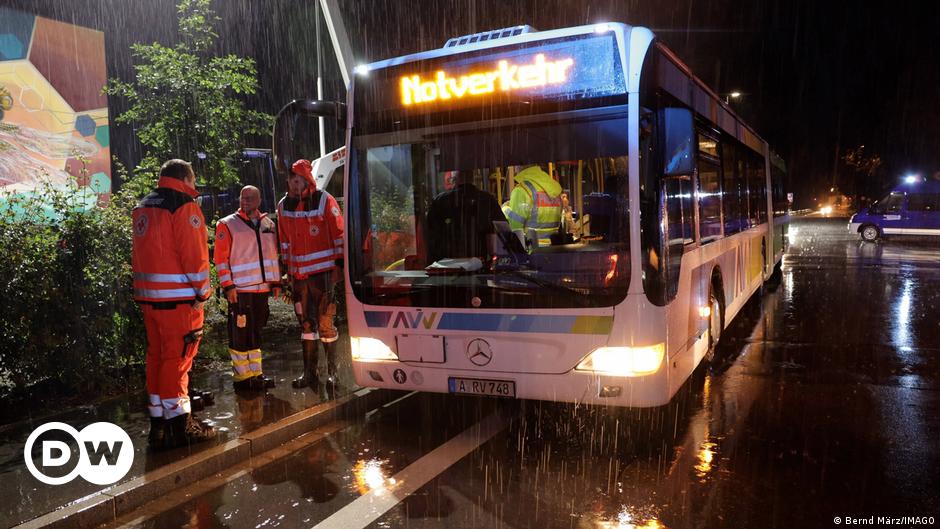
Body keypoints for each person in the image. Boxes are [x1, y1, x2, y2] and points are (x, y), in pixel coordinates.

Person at [132, 159, 216, 450]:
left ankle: (159, 426)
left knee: (156, 358)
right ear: (186, 178)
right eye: (193, 180)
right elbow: (194, 257)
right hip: (179, 301)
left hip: (149, 300)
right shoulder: (183, 205)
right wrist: (204, 293)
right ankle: (181, 427)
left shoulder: (144, 206)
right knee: (177, 362)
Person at [278, 159, 344, 391]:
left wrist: (339, 265)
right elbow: (284, 241)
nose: (295, 185)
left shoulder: (324, 199)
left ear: (307, 179)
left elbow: (339, 233)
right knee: (306, 325)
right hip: (299, 277)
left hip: (322, 274)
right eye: (292, 180)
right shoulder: (283, 205)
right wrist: (286, 273)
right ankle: (310, 373)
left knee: (326, 322)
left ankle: (333, 373)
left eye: (299, 180)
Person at [215, 185, 281, 392]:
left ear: (259, 200)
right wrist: (228, 286)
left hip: (262, 291)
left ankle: (256, 375)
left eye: (250, 198)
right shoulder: (227, 224)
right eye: (243, 198)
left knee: (255, 333)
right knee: (239, 335)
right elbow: (220, 259)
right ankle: (243, 380)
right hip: (240, 291)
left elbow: (272, 256)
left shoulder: (268, 224)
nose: (245, 201)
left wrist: (276, 283)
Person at [426, 171, 506, 263]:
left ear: (453, 179)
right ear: (473, 177)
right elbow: (501, 236)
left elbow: (431, 239)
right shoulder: (487, 200)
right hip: (478, 267)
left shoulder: (440, 201)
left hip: (446, 268)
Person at [505, 164, 563, 247]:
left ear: (517, 167)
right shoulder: (553, 189)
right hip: (554, 247)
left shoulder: (522, 190)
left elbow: (515, 227)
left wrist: (504, 209)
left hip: (532, 249)